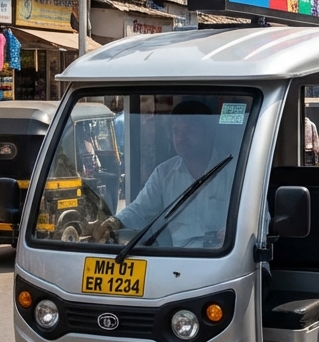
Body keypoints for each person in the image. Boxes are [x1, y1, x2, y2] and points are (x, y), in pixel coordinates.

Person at [98, 102, 233, 248]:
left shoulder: (232, 172)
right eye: (176, 131)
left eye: (189, 130)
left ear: (208, 132)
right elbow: (140, 209)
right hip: (176, 260)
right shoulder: (164, 173)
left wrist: (235, 230)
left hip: (222, 258)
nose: (181, 138)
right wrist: (114, 222)